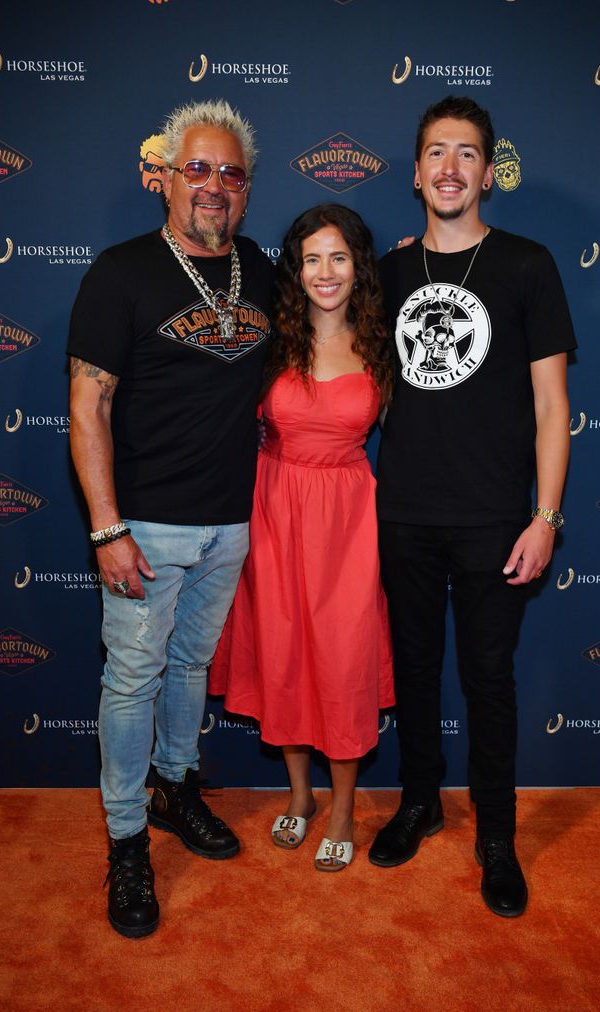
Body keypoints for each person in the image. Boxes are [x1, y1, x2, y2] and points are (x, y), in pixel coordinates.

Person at [67, 99, 274, 937]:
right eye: (198, 169)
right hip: (144, 526)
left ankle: (175, 788)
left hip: (231, 521)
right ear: (163, 178)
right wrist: (108, 527)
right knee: (131, 680)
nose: (214, 186)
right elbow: (89, 404)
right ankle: (125, 844)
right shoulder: (120, 272)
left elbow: (337, 305)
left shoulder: (261, 268)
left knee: (191, 669)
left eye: (231, 173)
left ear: (247, 188)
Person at [369, 96, 576, 916]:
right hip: (403, 513)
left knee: (489, 680)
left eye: (465, 154)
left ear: (489, 172)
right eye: (435, 153)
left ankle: (498, 836)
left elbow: (554, 406)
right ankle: (418, 803)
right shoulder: (387, 274)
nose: (449, 168)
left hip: (496, 518)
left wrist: (546, 515)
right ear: (417, 172)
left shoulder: (528, 265)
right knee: (413, 672)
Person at [210, 204, 395, 871]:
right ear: (295, 268)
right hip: (274, 512)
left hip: (348, 521)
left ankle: (344, 806)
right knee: (284, 656)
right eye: (312, 258)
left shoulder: (385, 340)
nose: (325, 272)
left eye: (339, 257)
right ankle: (300, 795)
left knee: (343, 664)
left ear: (358, 267)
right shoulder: (267, 338)